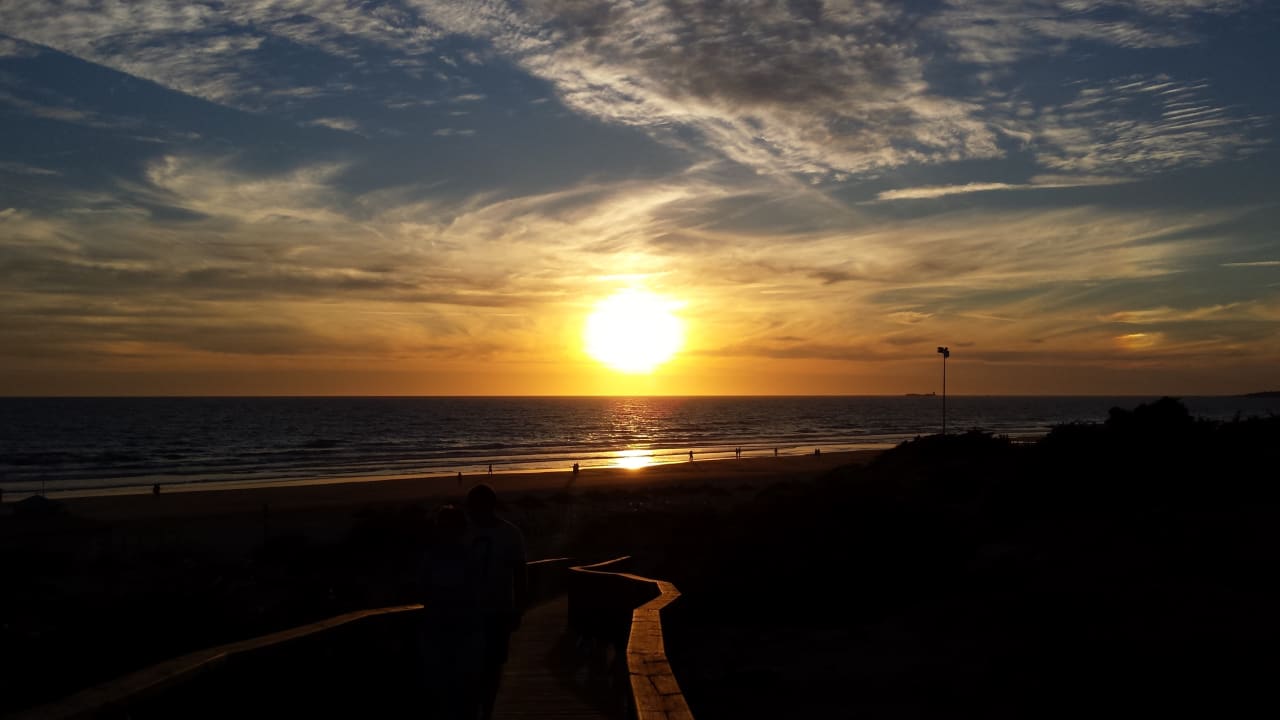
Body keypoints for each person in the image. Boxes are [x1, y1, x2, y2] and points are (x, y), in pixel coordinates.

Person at [465, 483, 528, 720]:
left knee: (491, 665)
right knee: (473, 666)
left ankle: (487, 710)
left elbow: (520, 572)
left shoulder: (509, 533)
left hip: (498, 609)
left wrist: (519, 607)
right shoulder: (464, 532)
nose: (472, 510)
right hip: (469, 611)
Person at [418, 504, 483, 720]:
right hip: (452, 627)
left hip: (450, 627)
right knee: (456, 685)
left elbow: (424, 589)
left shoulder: (436, 557)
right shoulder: (465, 556)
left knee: (449, 685)